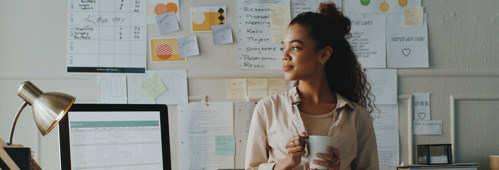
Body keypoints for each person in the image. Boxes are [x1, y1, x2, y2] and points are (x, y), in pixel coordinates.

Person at [245, 2, 379, 170]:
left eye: (295, 47)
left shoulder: (358, 117)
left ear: (323, 54)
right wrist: (287, 162)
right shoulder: (267, 109)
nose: (285, 56)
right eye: (283, 48)